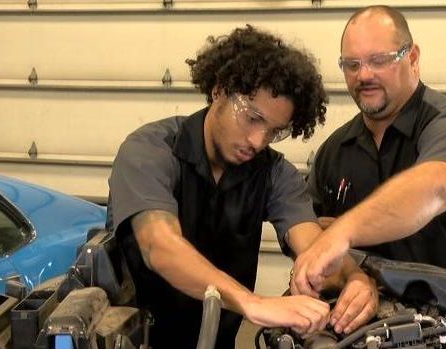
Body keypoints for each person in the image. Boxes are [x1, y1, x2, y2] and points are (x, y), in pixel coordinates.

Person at [107, 25, 376, 349]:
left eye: (274, 131)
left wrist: (356, 279)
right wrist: (254, 303)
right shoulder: (149, 152)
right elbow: (159, 246)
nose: (258, 141)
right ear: (220, 90)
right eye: (251, 118)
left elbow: (314, 245)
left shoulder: (275, 174)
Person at [293, 5, 446, 303]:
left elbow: (436, 187)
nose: (364, 75)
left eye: (379, 60)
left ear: (412, 58)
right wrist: (354, 277)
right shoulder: (336, 151)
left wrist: (341, 232)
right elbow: (306, 229)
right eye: (352, 64)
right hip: (386, 319)